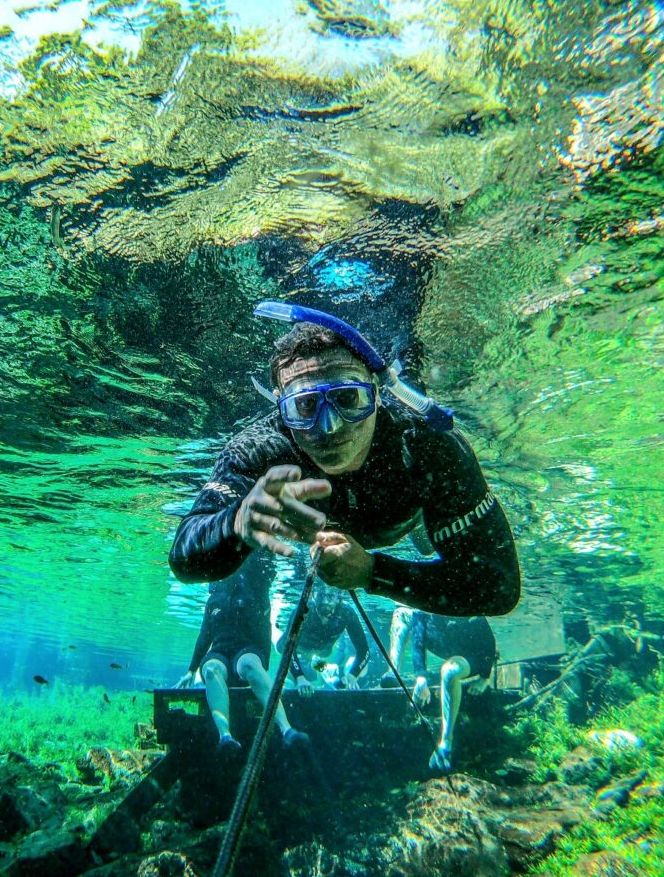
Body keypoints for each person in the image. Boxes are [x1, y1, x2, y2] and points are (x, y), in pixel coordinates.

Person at [168, 309, 521, 621]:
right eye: (305, 406)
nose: (329, 427)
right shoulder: (258, 450)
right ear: (280, 407)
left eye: (348, 398)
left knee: (429, 542)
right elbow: (184, 558)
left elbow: (499, 586)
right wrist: (235, 521)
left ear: (377, 393)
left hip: (409, 519)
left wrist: (373, 572)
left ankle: (422, 528)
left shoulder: (427, 444)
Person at [175, 558, 310, 755]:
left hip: (247, 650)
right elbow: (205, 635)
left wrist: (263, 661)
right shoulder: (213, 600)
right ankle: (225, 737)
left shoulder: (254, 590)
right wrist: (191, 670)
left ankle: (287, 730)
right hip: (219, 652)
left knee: (249, 664)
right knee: (211, 670)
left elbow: (265, 626)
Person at [386, 608, 497, 772]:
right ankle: (393, 671)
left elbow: (488, 640)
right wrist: (421, 677)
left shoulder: (464, 601)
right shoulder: (423, 601)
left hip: (469, 654)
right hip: (442, 640)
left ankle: (446, 742)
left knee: (449, 671)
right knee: (401, 613)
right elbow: (418, 637)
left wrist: (485, 676)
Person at [278, 584, 369, 695]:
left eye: (330, 596)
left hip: (322, 652)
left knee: (315, 661)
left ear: (338, 598)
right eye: (320, 595)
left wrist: (353, 675)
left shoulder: (346, 613)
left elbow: (364, 650)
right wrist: (300, 678)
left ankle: (319, 665)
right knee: (282, 650)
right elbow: (288, 647)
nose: (325, 601)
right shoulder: (303, 611)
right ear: (313, 595)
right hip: (294, 650)